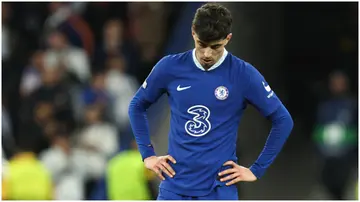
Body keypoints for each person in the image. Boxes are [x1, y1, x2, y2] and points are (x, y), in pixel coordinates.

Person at [128, 3, 293, 200]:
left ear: (228, 39)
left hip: (218, 190)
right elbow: (137, 105)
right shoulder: (170, 67)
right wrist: (148, 155)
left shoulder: (243, 74)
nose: (207, 54)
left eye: (215, 46)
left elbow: (283, 119)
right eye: (201, 44)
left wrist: (256, 169)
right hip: (174, 187)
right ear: (192, 33)